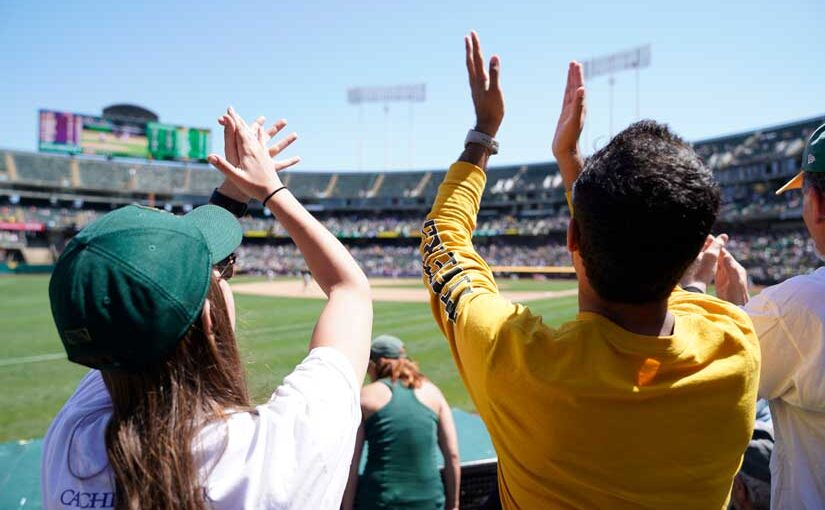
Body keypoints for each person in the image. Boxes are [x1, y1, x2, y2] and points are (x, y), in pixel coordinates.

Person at [420, 32, 760, 509]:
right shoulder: (736, 345)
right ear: (688, 258)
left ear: (572, 239)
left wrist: (485, 131)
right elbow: (684, 292)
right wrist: (571, 164)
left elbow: (442, 240)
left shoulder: (520, 365)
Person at [41, 107, 373, 510]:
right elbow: (349, 290)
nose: (223, 272)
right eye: (220, 271)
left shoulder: (71, 442)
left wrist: (234, 193)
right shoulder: (271, 460)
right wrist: (272, 190)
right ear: (209, 319)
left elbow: (128, 318)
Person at [710, 122, 825, 509]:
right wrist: (743, 309)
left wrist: (689, 284)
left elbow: (706, 381)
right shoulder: (791, 310)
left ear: (818, 205)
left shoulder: (799, 304)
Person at [341, 335, 460, 510]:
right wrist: (455, 505)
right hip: (429, 502)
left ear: (376, 364)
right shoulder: (433, 393)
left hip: (380, 501)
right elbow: (453, 456)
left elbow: (351, 462)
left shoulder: (365, 397)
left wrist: (347, 507)